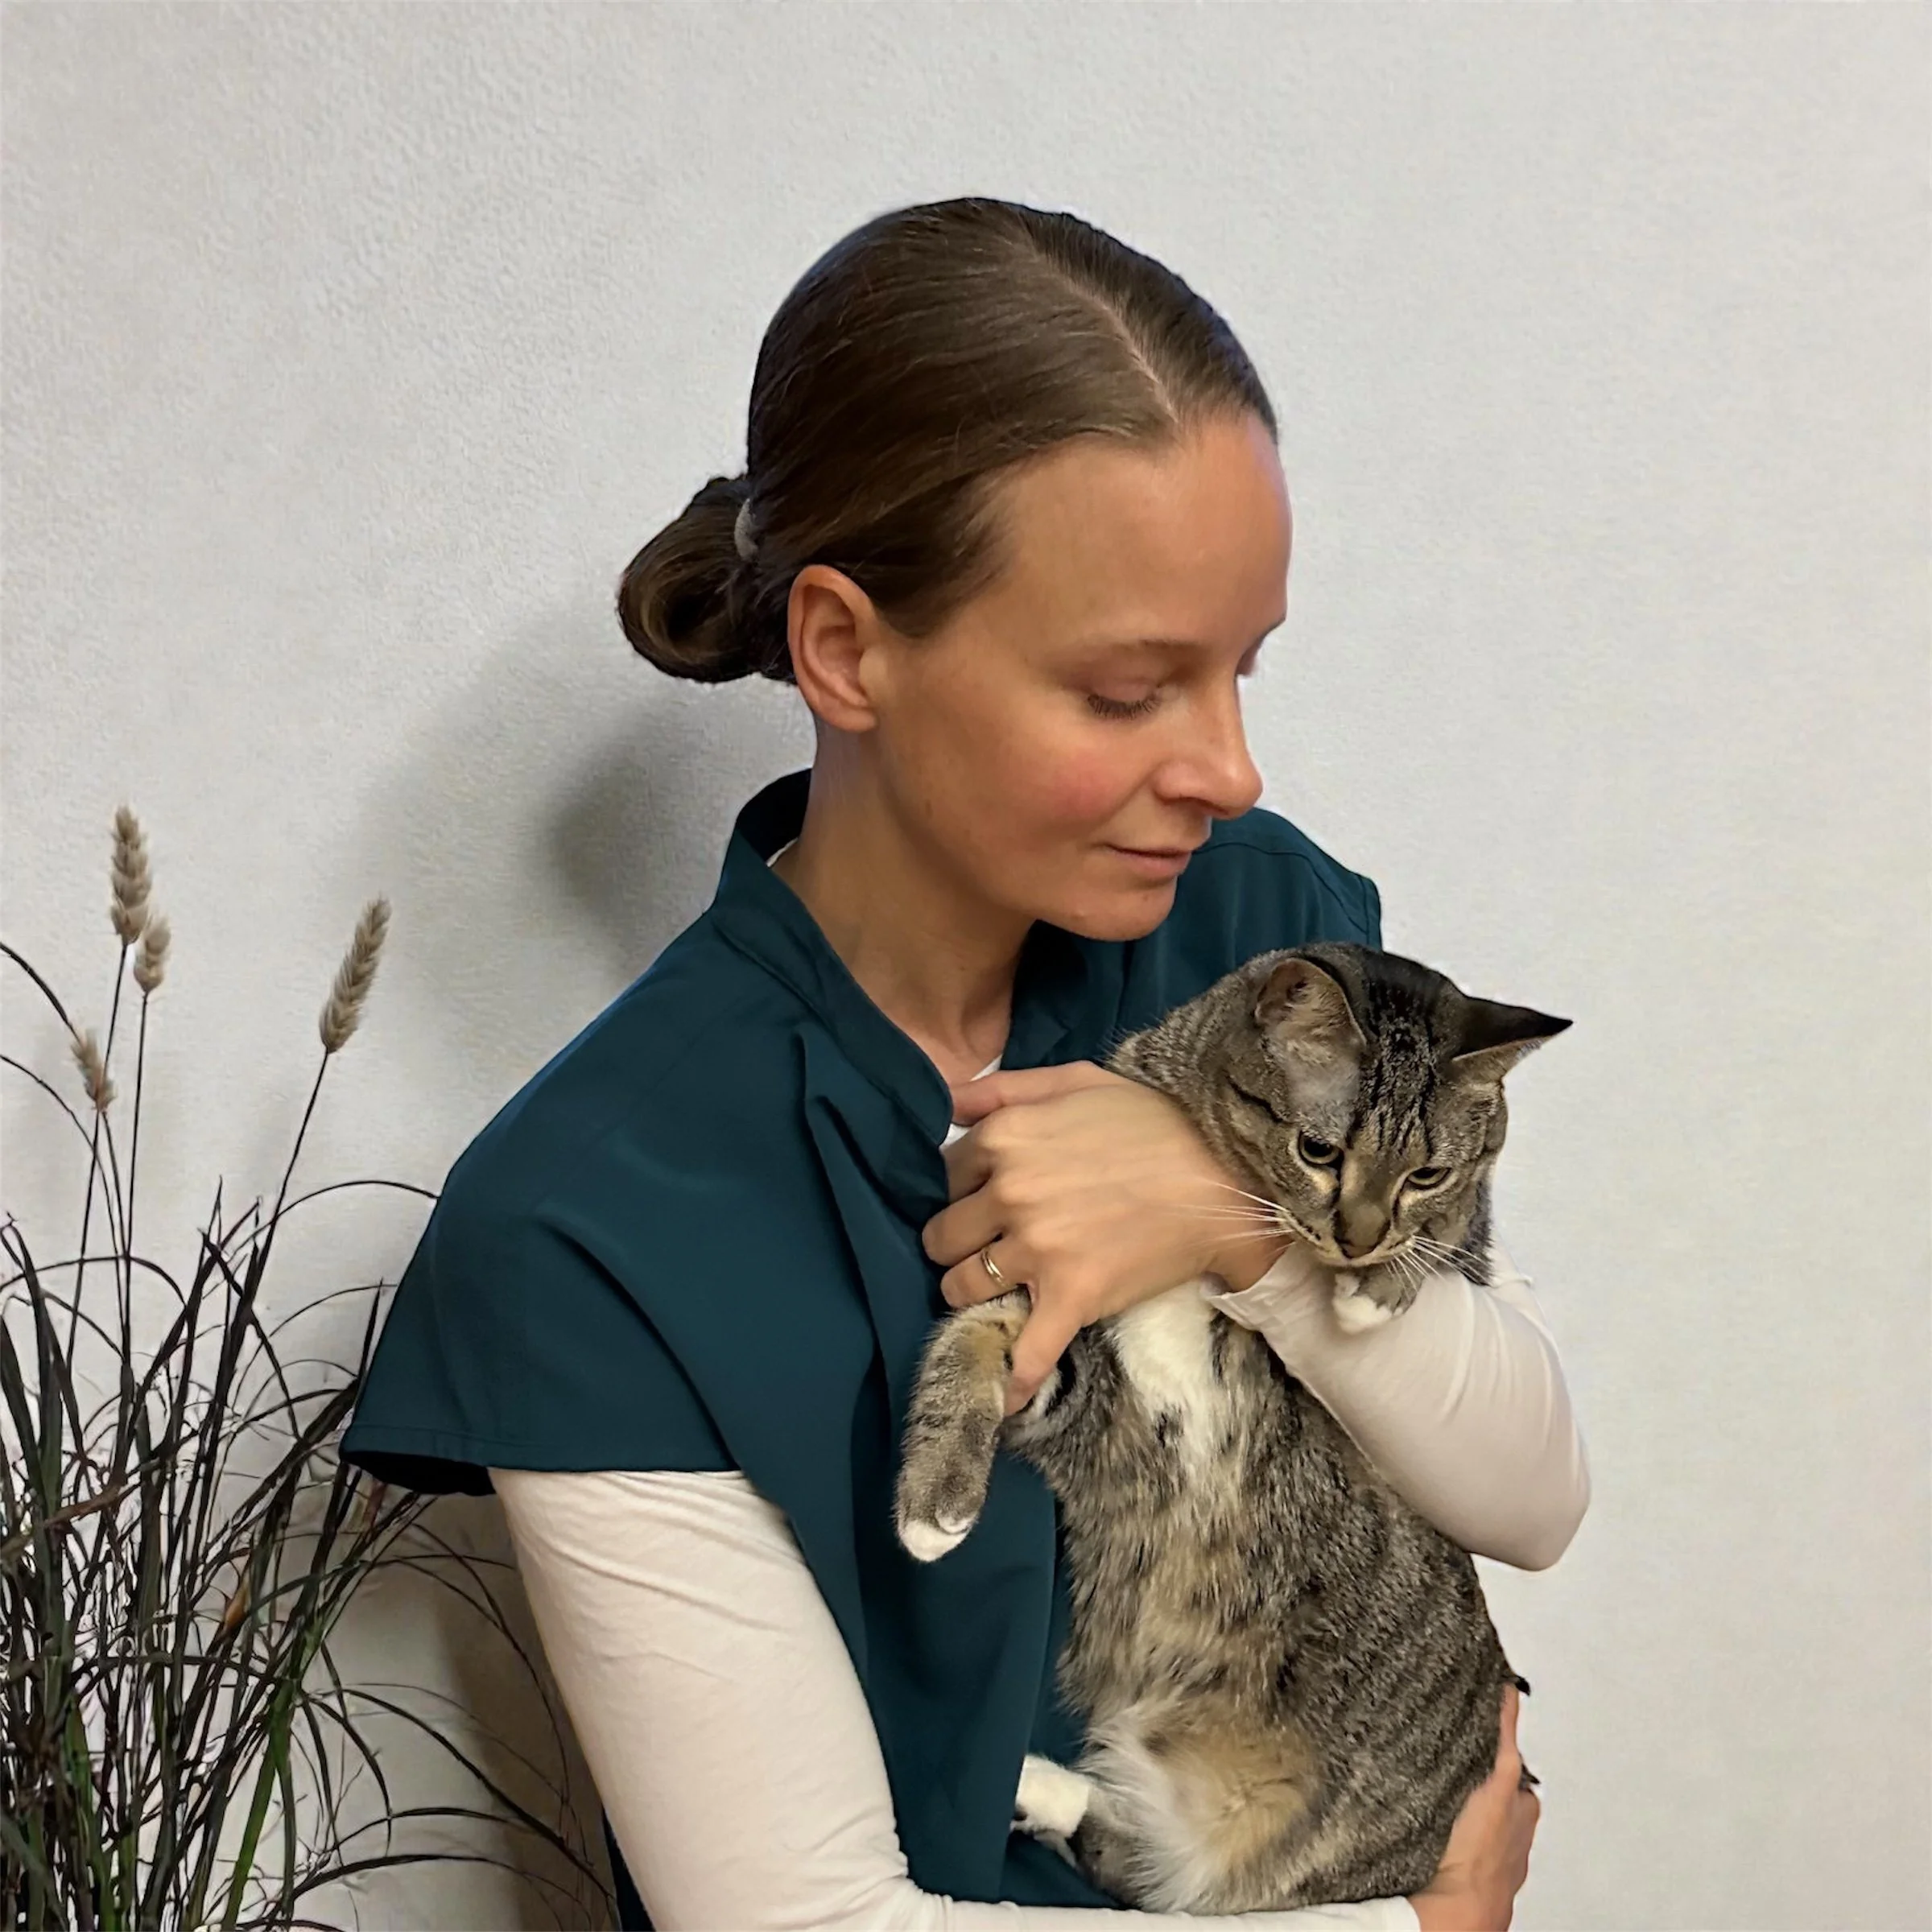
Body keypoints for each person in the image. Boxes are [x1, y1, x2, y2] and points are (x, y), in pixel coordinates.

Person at [340, 196, 1588, 1931]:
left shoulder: (1268, 945)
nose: (1227, 765)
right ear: (846, 649)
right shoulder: (587, 1230)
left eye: (1241, 670)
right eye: (1130, 688)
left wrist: (1226, 1223)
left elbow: (1529, 1491)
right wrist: (1411, 1925)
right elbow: (807, 1923)